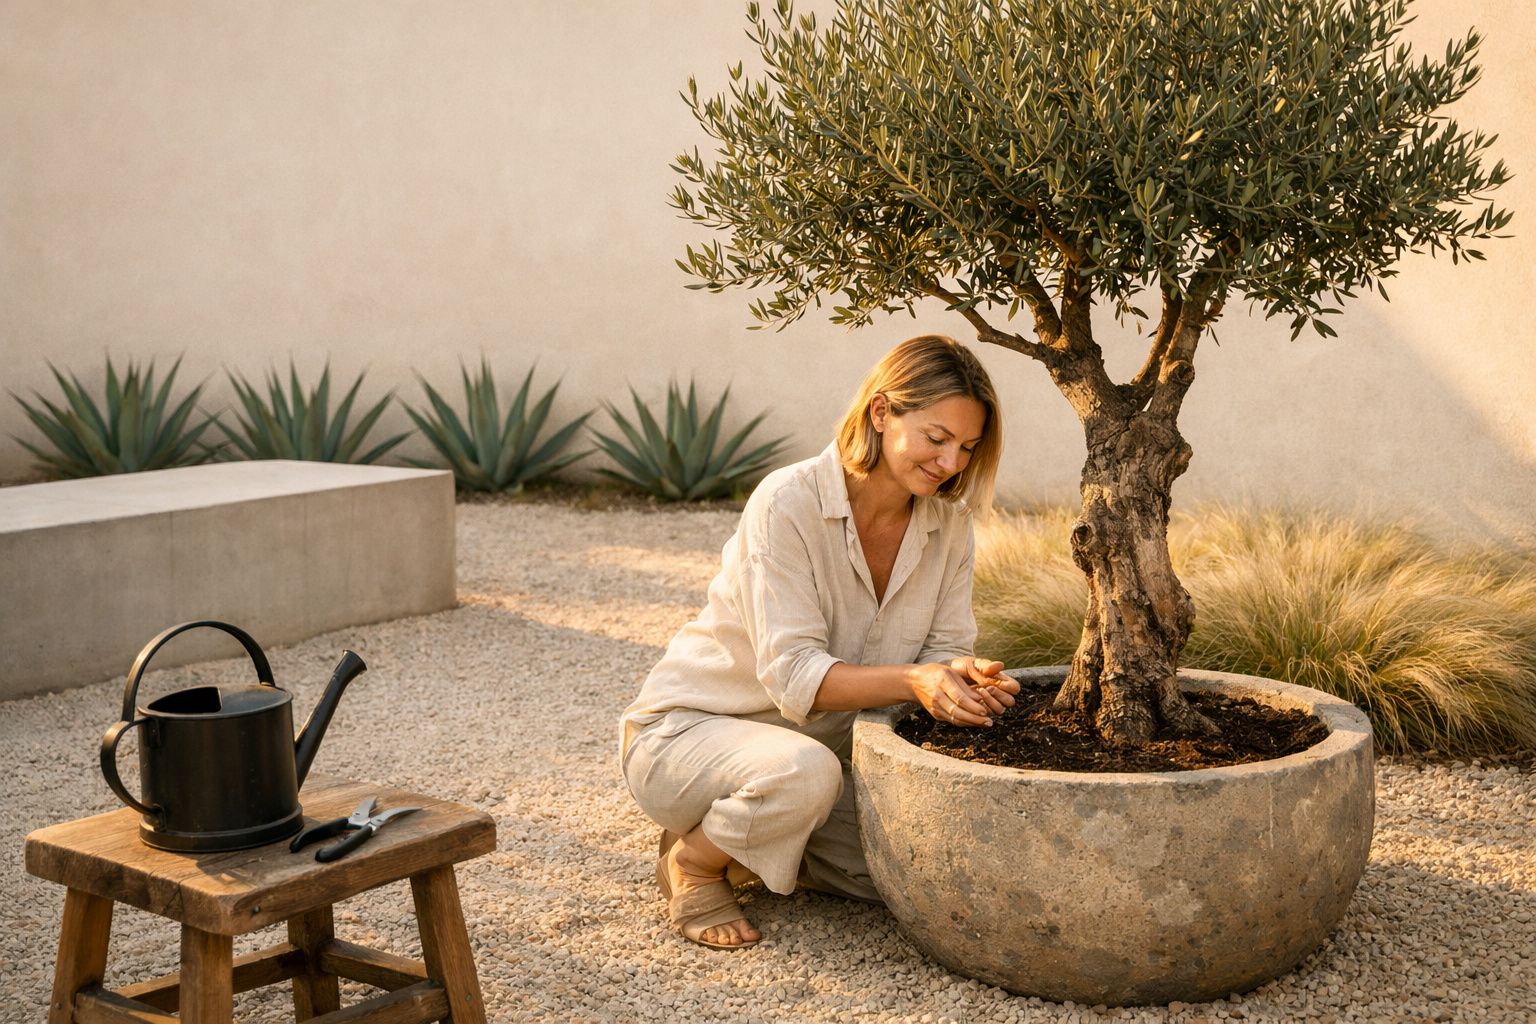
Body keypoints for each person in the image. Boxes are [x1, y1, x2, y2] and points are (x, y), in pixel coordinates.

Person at [619, 334, 1019, 949]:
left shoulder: (949, 523)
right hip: (690, 734)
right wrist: (915, 682)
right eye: (937, 438)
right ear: (882, 413)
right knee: (802, 774)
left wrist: (965, 683)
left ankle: (765, 839)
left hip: (828, 755)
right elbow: (793, 674)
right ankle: (695, 860)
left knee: (913, 874)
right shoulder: (787, 501)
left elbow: (942, 653)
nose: (951, 464)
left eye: (966, 448)